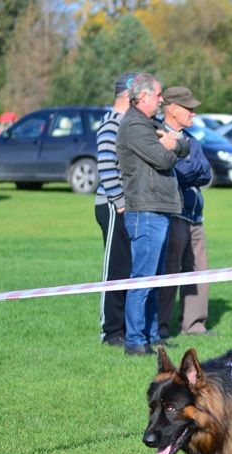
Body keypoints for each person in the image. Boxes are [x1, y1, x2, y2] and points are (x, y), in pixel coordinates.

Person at [116, 73, 189, 356]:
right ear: (143, 96)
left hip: (159, 209)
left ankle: (150, 336)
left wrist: (175, 143)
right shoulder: (134, 125)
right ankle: (135, 341)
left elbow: (184, 144)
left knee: (154, 280)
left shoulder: (150, 124)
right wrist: (172, 146)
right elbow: (162, 157)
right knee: (143, 279)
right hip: (145, 211)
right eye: (158, 95)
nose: (162, 100)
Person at [157, 87, 215, 337]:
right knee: (169, 273)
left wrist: (189, 167)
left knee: (198, 272)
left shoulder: (192, 140)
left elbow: (206, 172)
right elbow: (175, 174)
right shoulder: (158, 135)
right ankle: (159, 327)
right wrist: (191, 167)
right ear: (172, 109)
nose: (193, 113)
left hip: (195, 216)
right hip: (174, 216)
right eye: (188, 108)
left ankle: (194, 325)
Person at [94, 71, 137, 347]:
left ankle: (125, 328)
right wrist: (120, 203)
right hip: (112, 206)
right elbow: (106, 166)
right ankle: (110, 332)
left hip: (126, 206)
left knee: (129, 269)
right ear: (126, 95)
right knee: (115, 269)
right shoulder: (111, 124)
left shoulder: (129, 124)